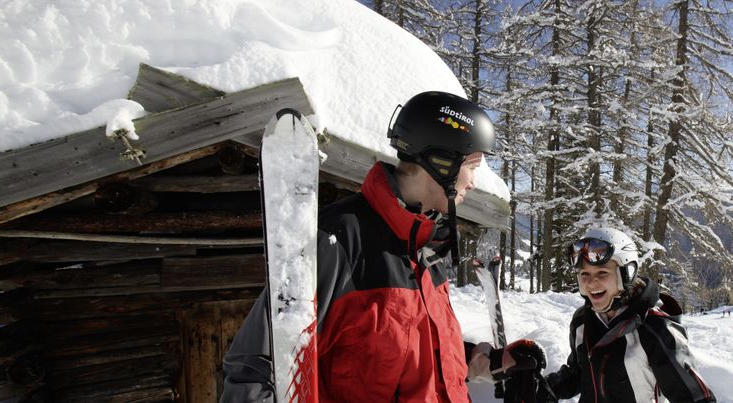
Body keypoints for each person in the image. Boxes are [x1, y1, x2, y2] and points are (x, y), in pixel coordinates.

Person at [220, 91, 545, 402]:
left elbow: (414, 349)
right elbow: (256, 367)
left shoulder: (427, 248)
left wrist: (485, 360)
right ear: (441, 161)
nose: (474, 181)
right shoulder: (339, 240)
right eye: (472, 166)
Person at [544, 227, 716, 403]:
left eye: (602, 273)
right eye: (584, 274)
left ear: (627, 272)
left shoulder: (655, 326)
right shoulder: (582, 321)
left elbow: (695, 397)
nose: (591, 282)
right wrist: (542, 388)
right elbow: (579, 373)